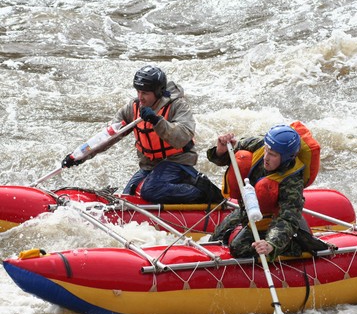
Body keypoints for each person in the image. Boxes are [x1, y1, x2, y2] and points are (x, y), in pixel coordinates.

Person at [62, 65, 223, 204]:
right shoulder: (132, 108)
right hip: (150, 166)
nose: (140, 97)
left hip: (177, 162)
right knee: (127, 196)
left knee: (150, 190)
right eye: (138, 91)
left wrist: (156, 120)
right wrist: (79, 155)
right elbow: (108, 136)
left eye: (145, 93)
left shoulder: (178, 106)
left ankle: (201, 192)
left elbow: (182, 137)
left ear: (158, 92)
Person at [207, 124, 326, 261]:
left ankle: (296, 245)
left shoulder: (292, 181)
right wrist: (220, 151)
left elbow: (287, 218)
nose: (266, 157)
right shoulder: (260, 144)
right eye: (267, 150)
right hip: (250, 210)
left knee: (238, 248)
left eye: (273, 155)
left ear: (287, 157)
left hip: (274, 220)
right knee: (216, 238)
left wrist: (271, 244)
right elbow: (231, 153)